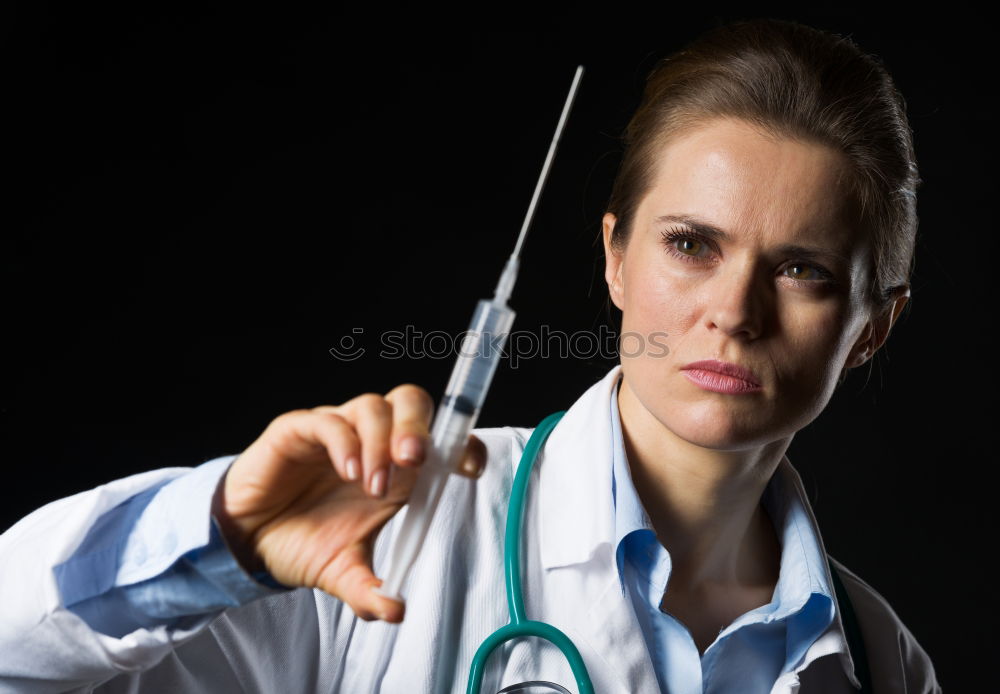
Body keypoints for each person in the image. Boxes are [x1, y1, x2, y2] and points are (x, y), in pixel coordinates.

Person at [0, 17, 941, 694]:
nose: (733, 311)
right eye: (692, 244)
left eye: (804, 270)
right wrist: (223, 544)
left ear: (872, 326)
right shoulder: (388, 536)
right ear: (615, 257)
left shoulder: (881, 660)